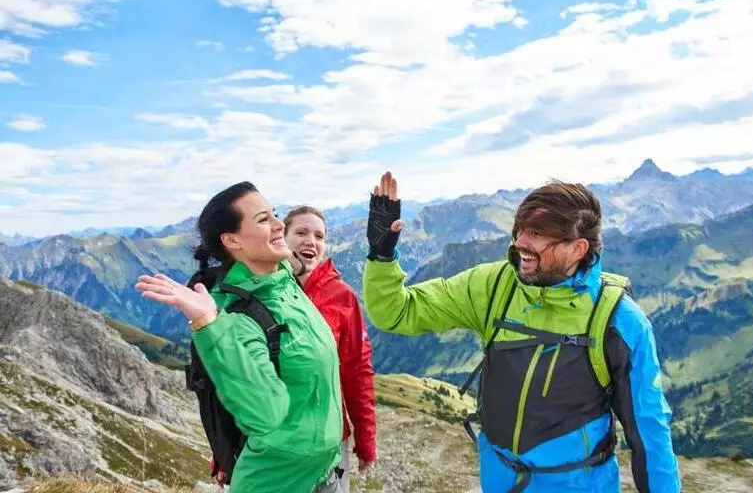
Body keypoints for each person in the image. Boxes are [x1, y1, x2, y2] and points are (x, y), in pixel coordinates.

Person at [361, 172, 681, 493]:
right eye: (520, 229)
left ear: (578, 248)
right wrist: (382, 255)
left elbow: (649, 431)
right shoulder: (495, 285)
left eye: (538, 234)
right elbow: (396, 313)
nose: (521, 243)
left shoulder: (618, 319)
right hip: (499, 481)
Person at [135, 182, 343, 493]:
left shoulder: (282, 277)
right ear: (232, 239)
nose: (278, 225)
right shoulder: (238, 315)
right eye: (263, 220)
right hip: (277, 483)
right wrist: (209, 323)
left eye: (275, 215)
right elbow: (264, 410)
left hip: (323, 474)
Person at [283, 206, 378, 491]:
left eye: (319, 236)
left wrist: (365, 440)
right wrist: (223, 455)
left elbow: (357, 372)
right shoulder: (263, 290)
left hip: (329, 439)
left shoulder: (342, 297)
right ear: (282, 237)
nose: (310, 241)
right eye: (300, 232)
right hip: (272, 438)